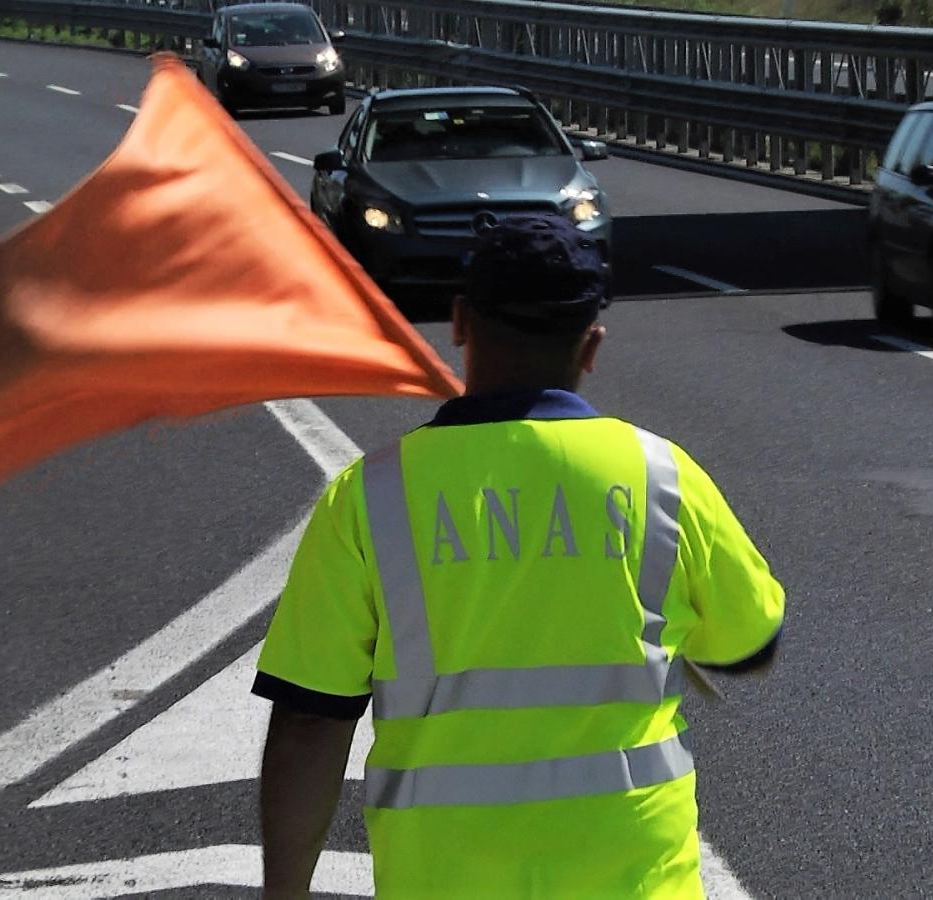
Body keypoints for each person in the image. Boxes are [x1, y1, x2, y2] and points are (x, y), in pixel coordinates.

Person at [252, 214, 785, 899]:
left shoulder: (370, 497)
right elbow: (752, 644)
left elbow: (309, 720)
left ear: (460, 322)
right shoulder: (664, 478)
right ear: (591, 346)